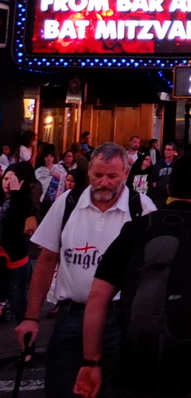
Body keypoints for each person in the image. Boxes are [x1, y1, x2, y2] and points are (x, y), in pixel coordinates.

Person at [71, 152, 191, 398]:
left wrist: (92, 362)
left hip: (135, 374)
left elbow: (98, 296)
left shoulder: (136, 229)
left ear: (170, 187)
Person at [15, 142, 154, 398]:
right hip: (72, 318)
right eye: (98, 175)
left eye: (112, 176)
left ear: (126, 173)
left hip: (120, 320)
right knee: (63, 389)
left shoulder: (142, 209)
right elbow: (46, 261)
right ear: (88, 170)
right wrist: (31, 317)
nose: (104, 182)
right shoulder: (67, 204)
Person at [0, 162, 38, 320]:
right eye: (5, 178)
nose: (7, 183)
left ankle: (28, 342)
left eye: (12, 180)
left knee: (18, 304)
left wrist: (16, 194)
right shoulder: (2, 200)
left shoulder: (23, 202)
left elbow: (12, 228)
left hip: (15, 259)